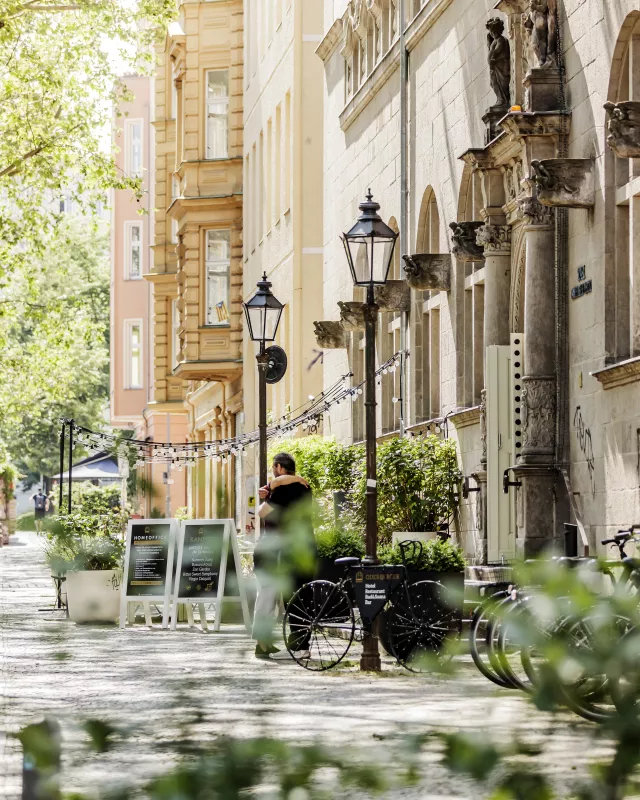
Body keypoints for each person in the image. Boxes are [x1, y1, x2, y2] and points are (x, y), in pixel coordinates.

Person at [252, 452, 317, 660]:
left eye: (274, 468)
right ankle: (298, 644)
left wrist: (272, 487)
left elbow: (261, 513)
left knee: (277, 597)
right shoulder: (305, 487)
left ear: (279, 467)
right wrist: (275, 485)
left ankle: (289, 646)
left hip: (282, 550)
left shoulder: (282, 490)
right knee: (301, 597)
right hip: (304, 547)